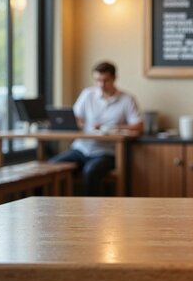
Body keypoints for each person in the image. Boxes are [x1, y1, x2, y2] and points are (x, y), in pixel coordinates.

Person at [50, 61, 143, 195]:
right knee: (51, 166)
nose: (101, 85)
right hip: (81, 149)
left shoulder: (127, 99)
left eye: (105, 81)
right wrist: (77, 122)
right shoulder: (87, 94)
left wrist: (110, 127)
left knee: (91, 171)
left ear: (114, 79)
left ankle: (92, 213)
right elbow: (76, 117)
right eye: (97, 80)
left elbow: (139, 126)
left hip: (106, 153)